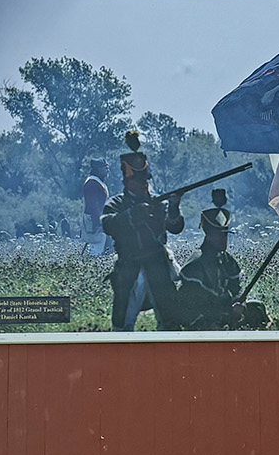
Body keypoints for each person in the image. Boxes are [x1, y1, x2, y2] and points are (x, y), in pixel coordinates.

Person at [101, 131, 184, 331]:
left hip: (157, 265)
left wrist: (173, 206)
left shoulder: (158, 202)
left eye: (145, 180)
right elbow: (107, 224)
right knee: (123, 324)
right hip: (130, 265)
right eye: (139, 181)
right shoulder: (117, 203)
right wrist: (133, 214)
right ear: (127, 181)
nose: (143, 184)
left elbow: (175, 227)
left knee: (168, 320)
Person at [164, 189, 267, 330]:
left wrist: (239, 305)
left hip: (225, 311)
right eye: (219, 235)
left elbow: (236, 289)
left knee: (257, 308)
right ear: (209, 236)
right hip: (204, 316)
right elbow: (189, 305)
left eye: (225, 235)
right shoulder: (195, 264)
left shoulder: (228, 261)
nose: (224, 239)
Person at [81, 159, 113, 257]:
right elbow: (93, 206)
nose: (107, 170)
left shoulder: (97, 182)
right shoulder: (92, 184)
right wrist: (98, 222)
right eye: (105, 168)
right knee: (96, 249)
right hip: (95, 221)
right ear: (98, 169)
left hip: (100, 219)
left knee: (103, 248)